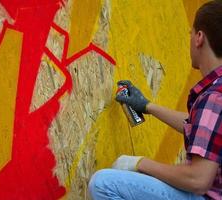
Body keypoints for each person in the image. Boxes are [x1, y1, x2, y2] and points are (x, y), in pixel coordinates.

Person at [88, 1, 222, 199]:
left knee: (103, 184)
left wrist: (140, 163)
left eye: (190, 33)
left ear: (199, 38)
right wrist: (147, 106)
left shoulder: (214, 97)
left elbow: (198, 180)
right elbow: (198, 127)